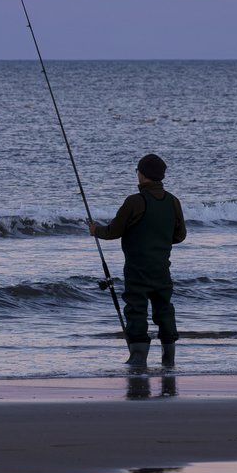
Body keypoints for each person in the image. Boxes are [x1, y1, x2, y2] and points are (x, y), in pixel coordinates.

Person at [89, 153, 186, 374]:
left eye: (138, 172)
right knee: (164, 310)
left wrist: (95, 230)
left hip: (137, 269)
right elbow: (180, 236)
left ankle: (138, 358)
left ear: (142, 175)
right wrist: (158, 239)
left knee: (136, 309)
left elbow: (113, 231)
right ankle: (168, 359)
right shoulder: (173, 201)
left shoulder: (135, 201)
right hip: (162, 269)